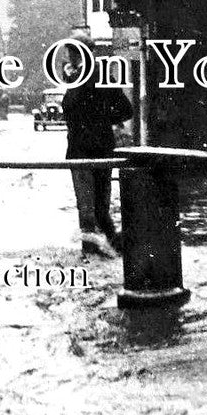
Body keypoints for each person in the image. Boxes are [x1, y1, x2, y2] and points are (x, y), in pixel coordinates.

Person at [60, 37, 133, 258]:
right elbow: (125, 110)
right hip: (101, 148)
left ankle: (91, 255)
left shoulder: (79, 80)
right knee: (100, 207)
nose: (71, 56)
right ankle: (116, 248)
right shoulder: (102, 77)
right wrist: (102, 120)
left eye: (73, 52)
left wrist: (93, 120)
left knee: (87, 208)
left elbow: (70, 111)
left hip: (82, 151)